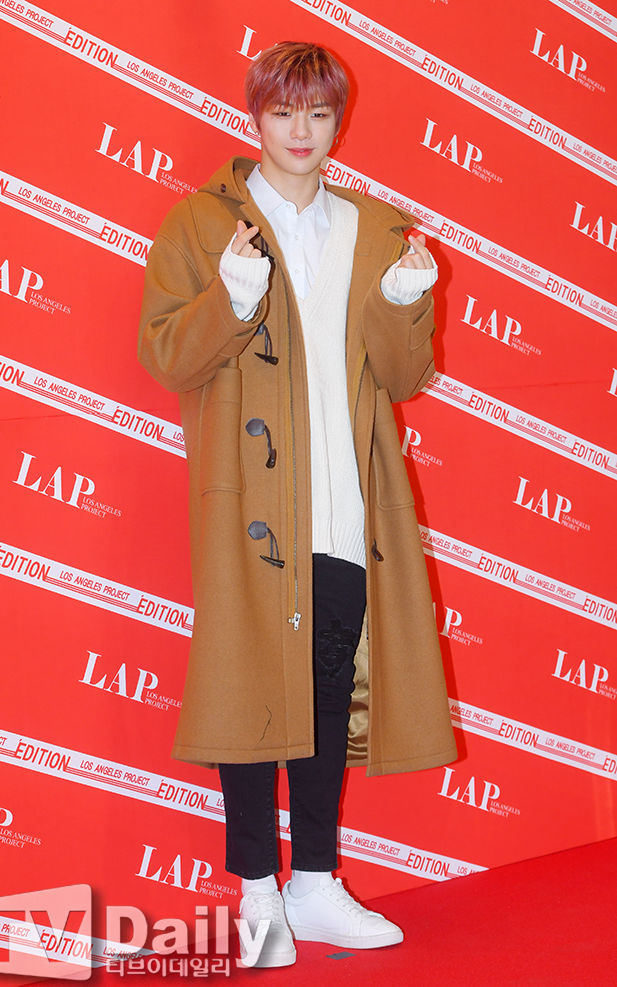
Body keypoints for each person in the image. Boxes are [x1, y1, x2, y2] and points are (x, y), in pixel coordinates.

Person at [138, 41, 457, 968]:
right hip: (251, 506)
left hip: (347, 503)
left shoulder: (377, 229)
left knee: (324, 695)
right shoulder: (201, 226)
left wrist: (405, 302)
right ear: (257, 117)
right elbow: (167, 355)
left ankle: (314, 884)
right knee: (250, 693)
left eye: (319, 114)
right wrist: (231, 300)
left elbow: (405, 375)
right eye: (286, 112)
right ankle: (256, 895)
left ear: (337, 122)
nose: (302, 132)